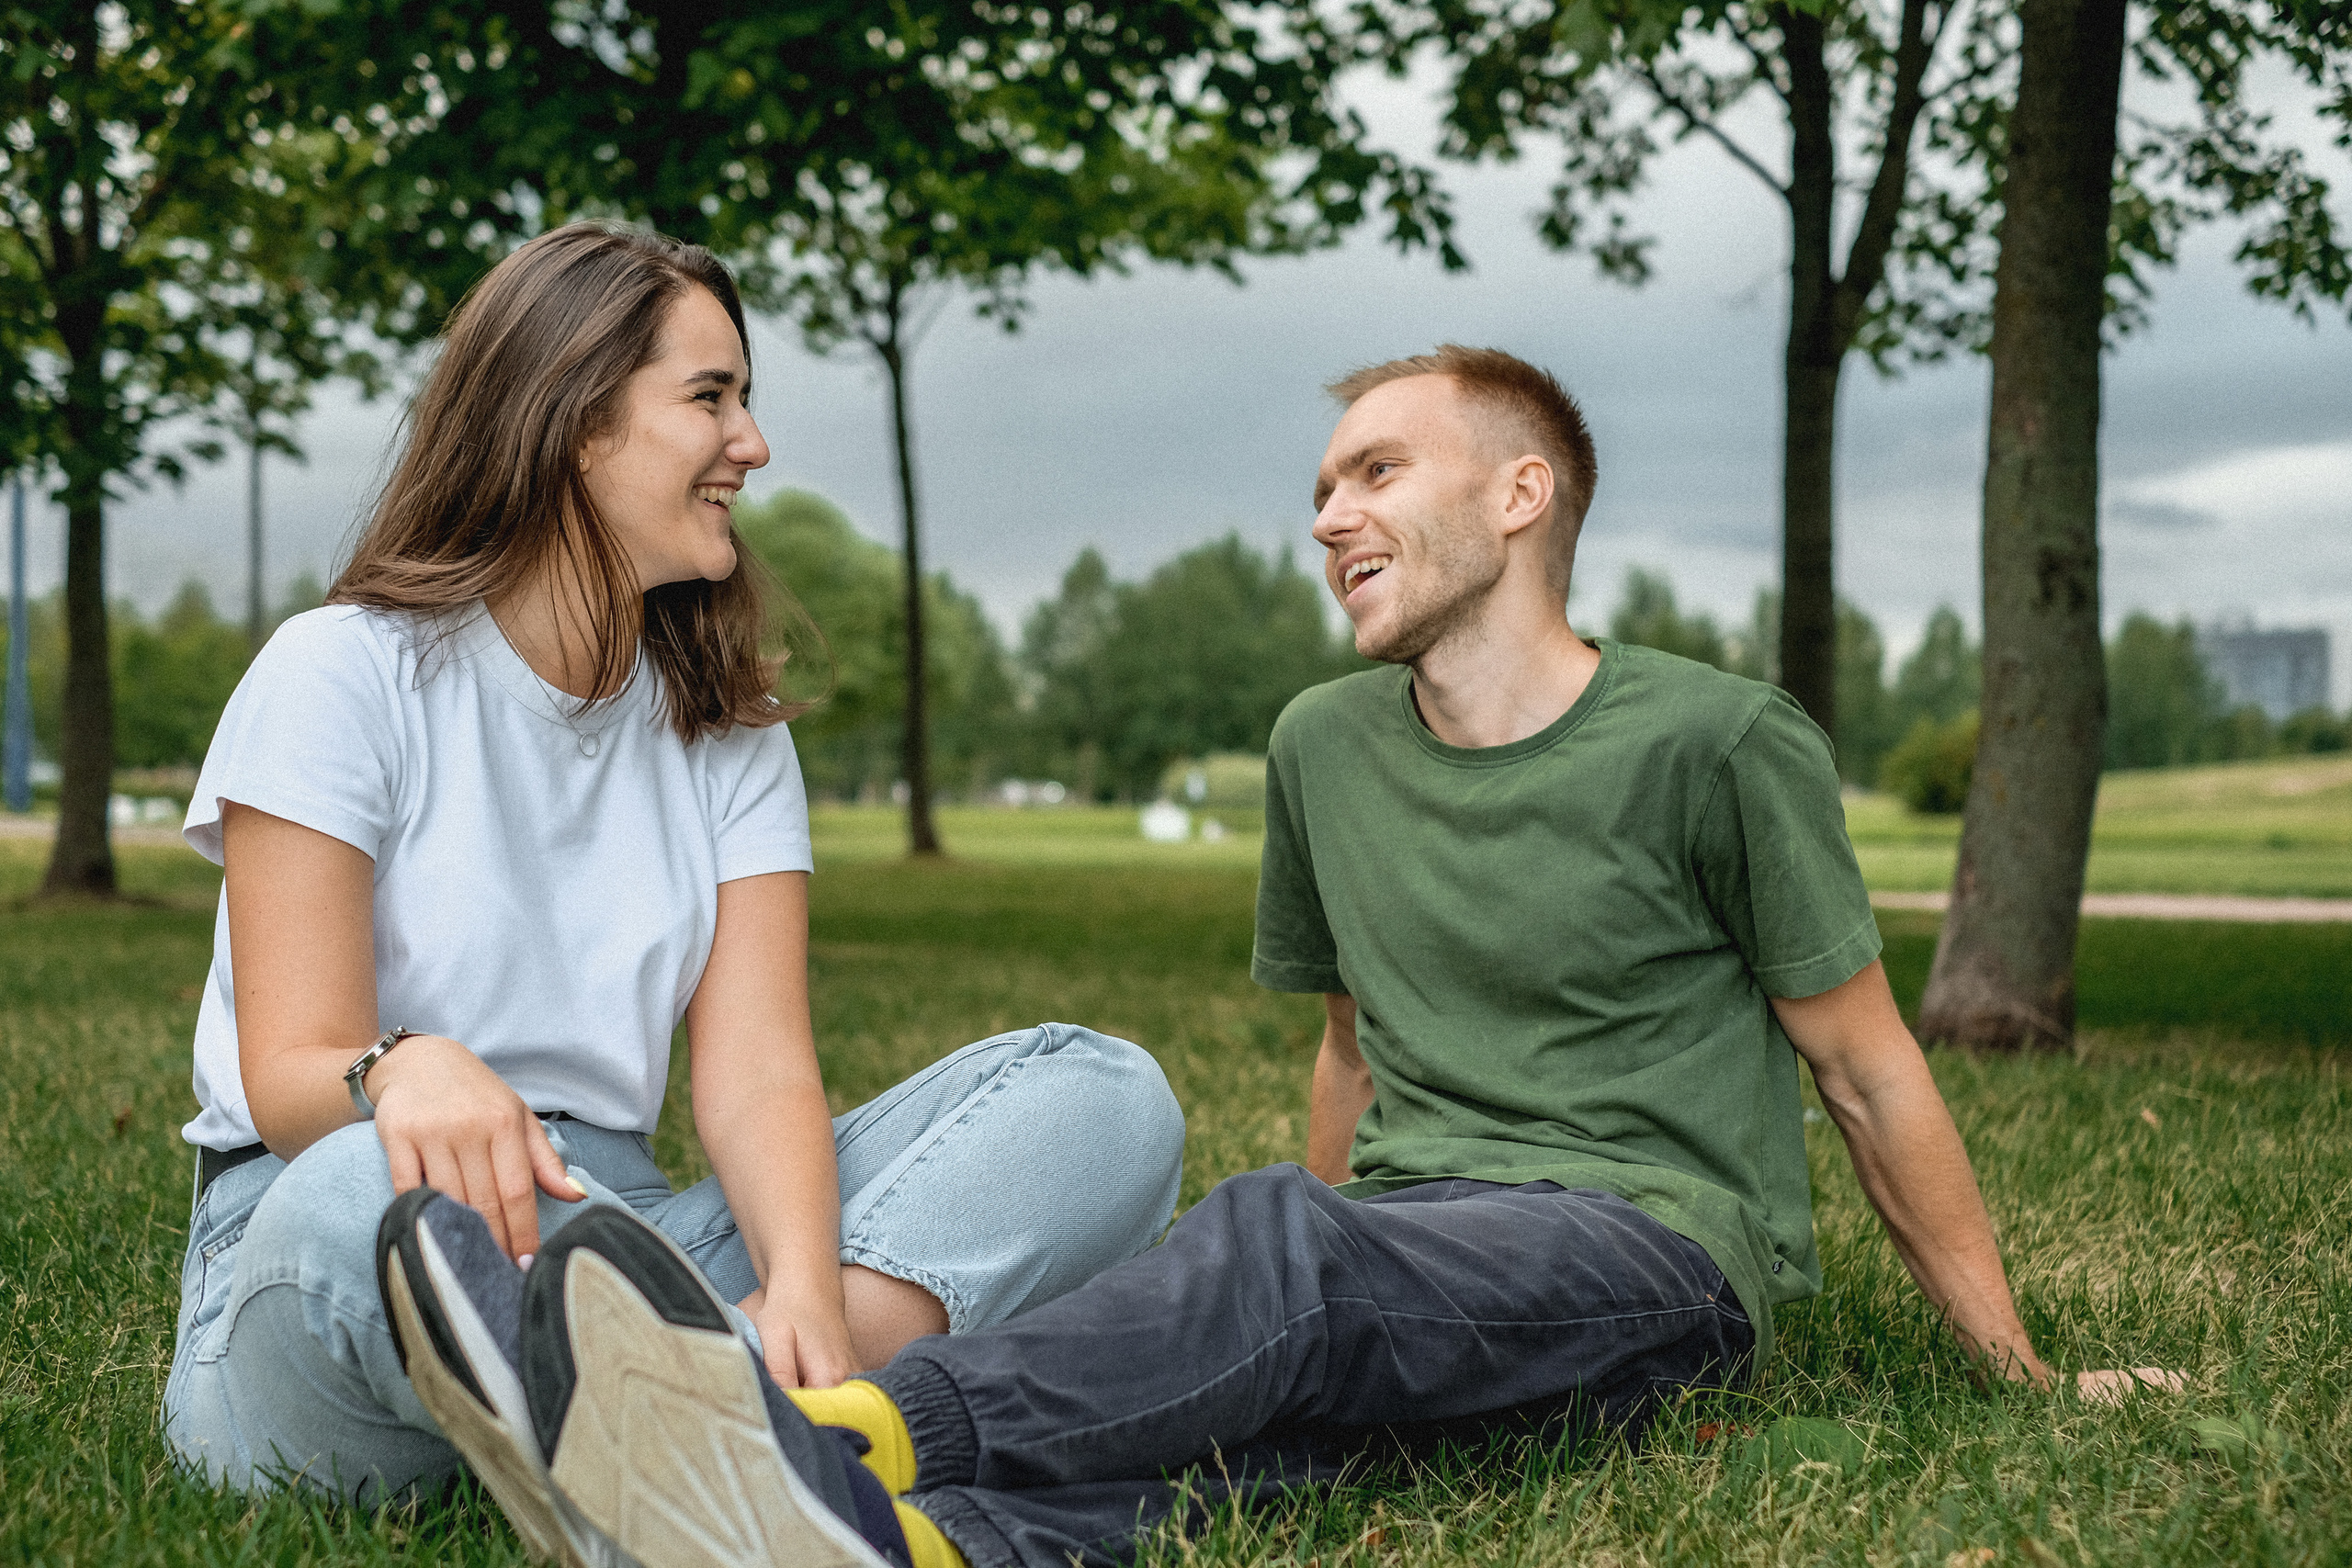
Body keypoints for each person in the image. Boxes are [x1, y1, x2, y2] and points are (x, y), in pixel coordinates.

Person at [375, 344, 2102, 1568]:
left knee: (1275, 1248)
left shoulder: (1720, 743)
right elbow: (1352, 1055)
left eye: (1376, 471)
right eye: (1321, 486)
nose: (1331, 514)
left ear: (1522, 493)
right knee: (1257, 1419)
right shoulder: (1323, 749)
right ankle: (890, 1545)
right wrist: (1316, 1272)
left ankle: (819, 1439)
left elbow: (1869, 1070)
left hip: (1658, 1261)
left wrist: (2016, 1374)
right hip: (1424, 1247)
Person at [161, 223, 1186, 1528]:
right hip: (327, 1239)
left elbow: (759, 1068)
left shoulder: (723, 725)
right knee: (388, 1201)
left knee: (1105, 1095)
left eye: (744, 399)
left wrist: (806, 1289)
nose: (750, 443)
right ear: (573, 422)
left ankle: (738, 1399)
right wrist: (403, 1068)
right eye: (711, 397)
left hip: (625, 1241)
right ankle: (712, 1427)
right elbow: (293, 1072)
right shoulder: (343, 672)